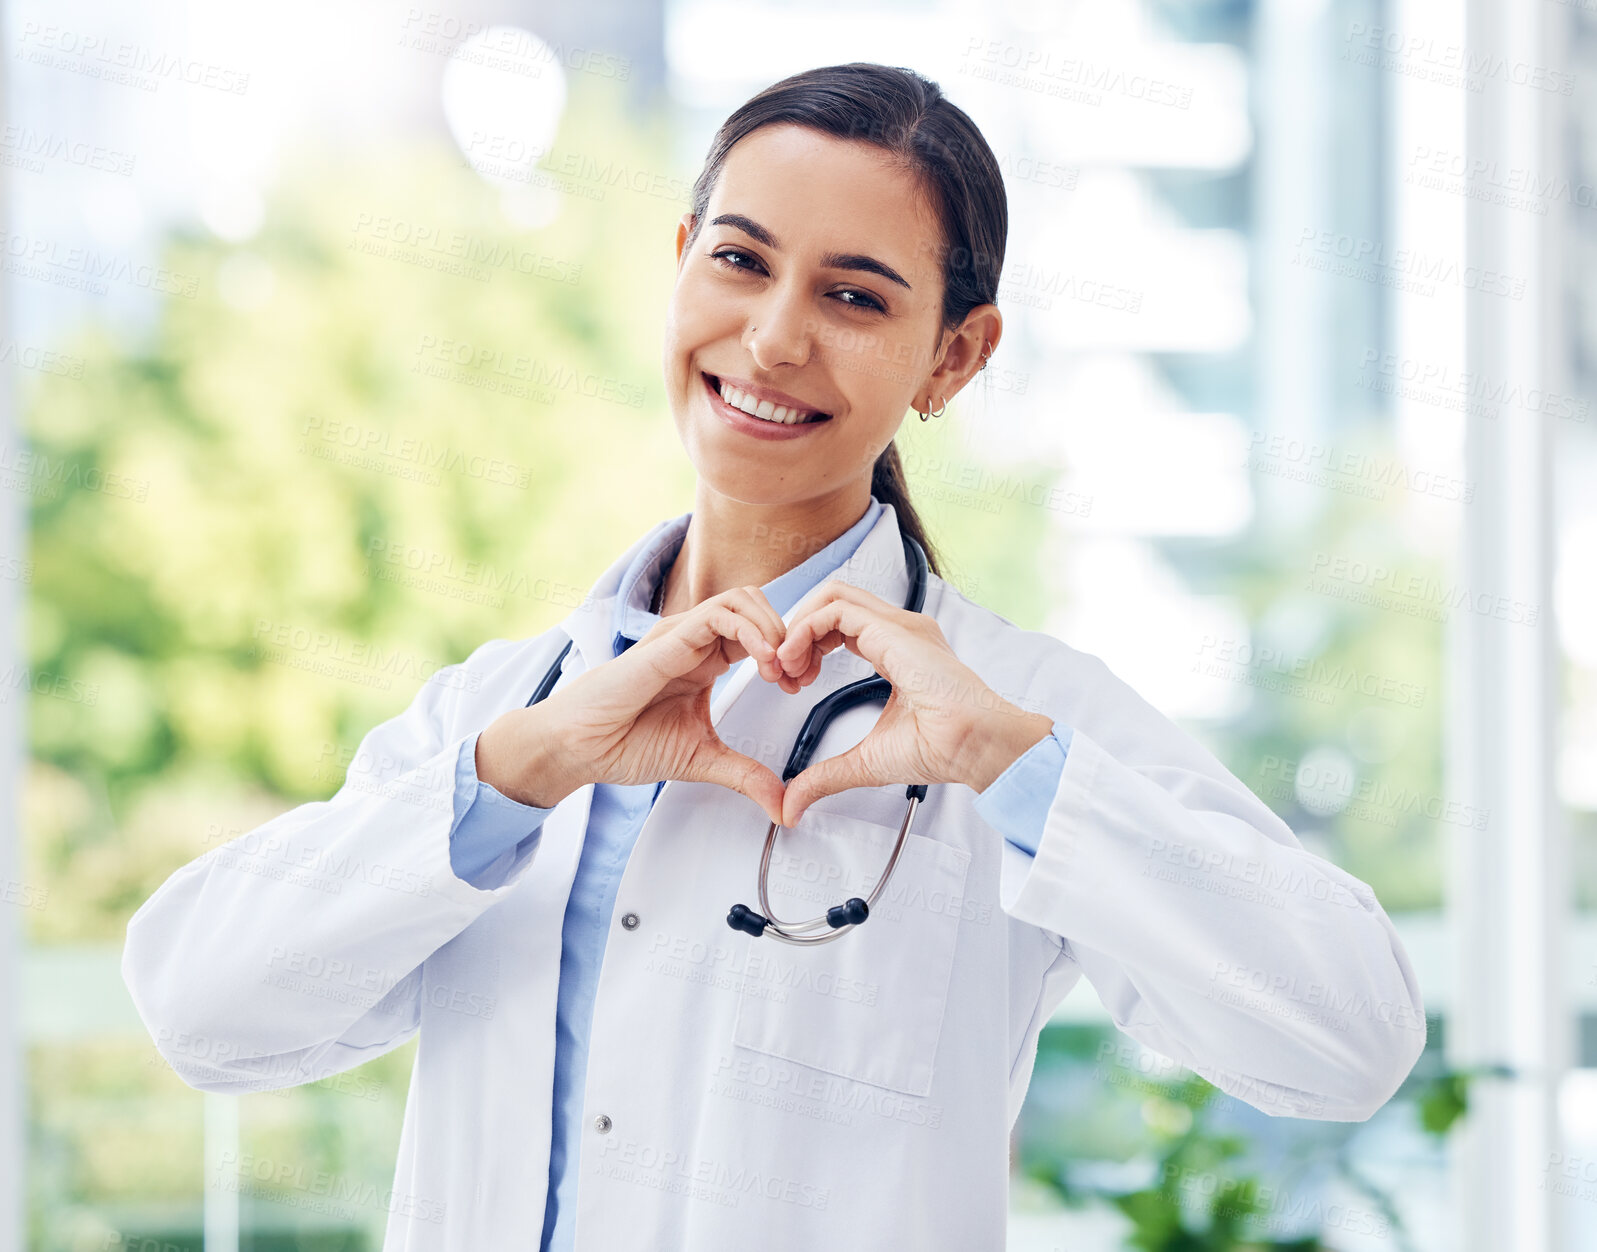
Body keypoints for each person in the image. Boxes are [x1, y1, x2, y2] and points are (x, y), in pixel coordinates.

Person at [121, 62, 1426, 1251]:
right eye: (739, 262)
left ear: (953, 359)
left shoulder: (1014, 716)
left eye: (854, 296)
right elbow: (204, 1011)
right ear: (681, 260)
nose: (772, 339)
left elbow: (1346, 1041)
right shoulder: (504, 710)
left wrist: (1011, 769)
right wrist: (512, 777)